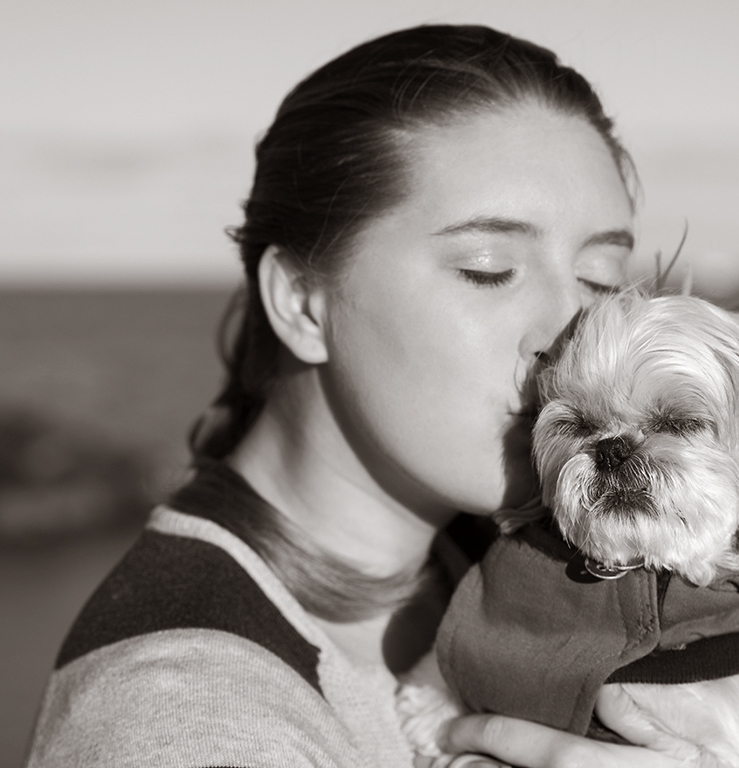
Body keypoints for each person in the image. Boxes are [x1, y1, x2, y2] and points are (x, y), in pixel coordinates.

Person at [25, 24, 696, 768]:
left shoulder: (540, 578)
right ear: (305, 304)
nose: (570, 334)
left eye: (600, 279)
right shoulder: (185, 718)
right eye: (486, 268)